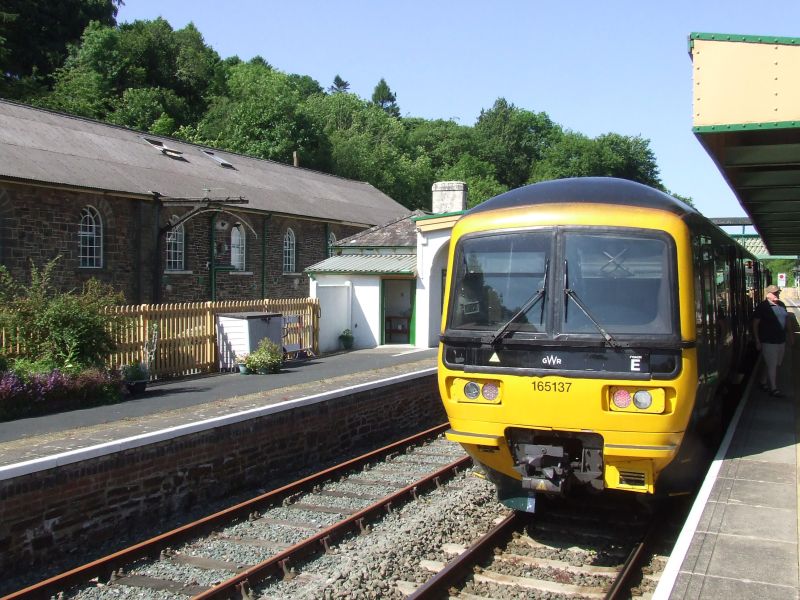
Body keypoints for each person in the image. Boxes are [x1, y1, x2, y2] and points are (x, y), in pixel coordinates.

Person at [752, 285, 792, 397]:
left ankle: (763, 381)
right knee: (772, 365)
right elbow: (755, 324)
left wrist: (791, 336)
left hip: (781, 340)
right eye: (775, 293)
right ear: (768, 294)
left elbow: (787, 320)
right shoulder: (763, 306)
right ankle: (774, 388)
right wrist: (757, 340)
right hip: (768, 341)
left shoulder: (782, 305)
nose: (777, 294)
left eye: (778, 292)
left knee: (774, 363)